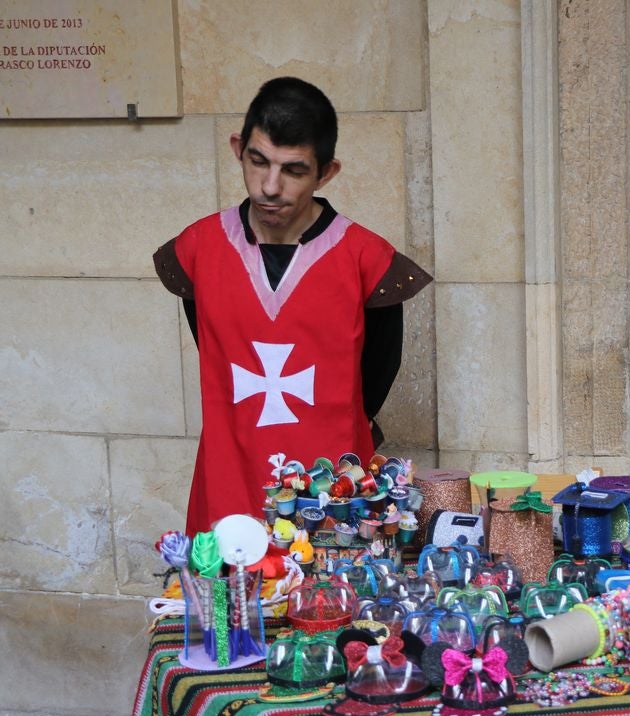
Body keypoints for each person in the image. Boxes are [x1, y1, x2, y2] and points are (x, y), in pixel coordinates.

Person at [154, 77, 431, 535]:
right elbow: (214, 349)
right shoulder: (200, 248)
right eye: (257, 161)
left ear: (326, 172)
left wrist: (328, 423)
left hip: (331, 485)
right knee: (231, 599)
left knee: (330, 599)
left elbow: (377, 372)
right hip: (231, 467)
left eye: (293, 170)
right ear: (238, 148)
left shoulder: (363, 258)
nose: (269, 186)